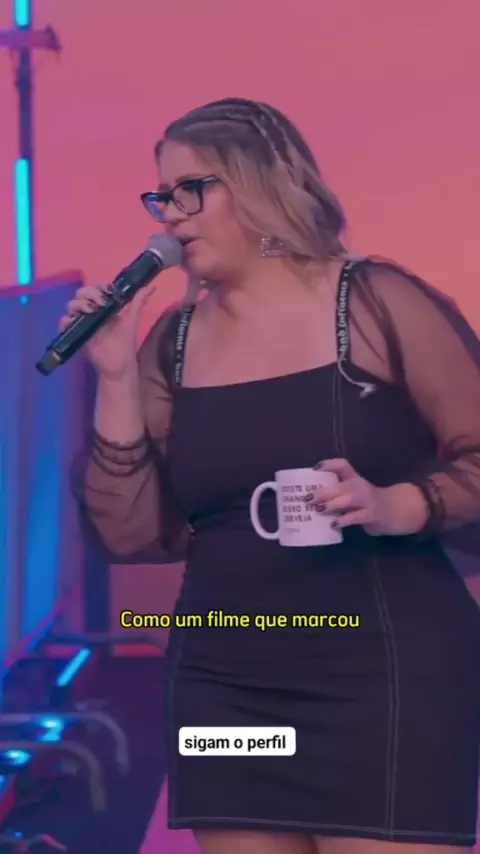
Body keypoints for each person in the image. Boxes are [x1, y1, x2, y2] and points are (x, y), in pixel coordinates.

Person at [66, 98, 480, 854]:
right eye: (162, 196)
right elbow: (129, 533)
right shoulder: (175, 342)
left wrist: (400, 504)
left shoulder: (377, 303)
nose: (171, 215)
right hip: (222, 685)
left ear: (261, 184)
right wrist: (117, 379)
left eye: (191, 190)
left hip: (385, 679)